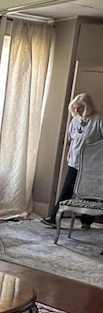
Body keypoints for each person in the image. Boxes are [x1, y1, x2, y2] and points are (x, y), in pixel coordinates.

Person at [42, 92, 103, 228]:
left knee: (89, 192)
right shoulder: (75, 120)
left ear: (87, 107)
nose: (77, 111)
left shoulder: (98, 119)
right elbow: (73, 139)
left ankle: (87, 221)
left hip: (92, 164)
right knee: (66, 190)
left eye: (80, 108)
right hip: (74, 161)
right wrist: (69, 153)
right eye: (75, 108)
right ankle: (54, 218)